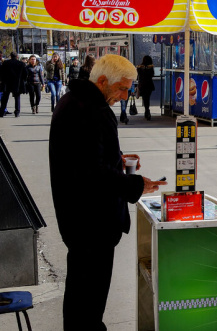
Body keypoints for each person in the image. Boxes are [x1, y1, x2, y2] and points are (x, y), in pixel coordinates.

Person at [49, 54, 167, 330]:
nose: (125, 96)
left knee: (80, 297)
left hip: (76, 219)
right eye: (123, 88)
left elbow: (85, 158)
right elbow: (95, 173)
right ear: (102, 81)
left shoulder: (70, 102)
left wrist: (119, 157)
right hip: (93, 224)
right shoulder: (94, 110)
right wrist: (138, 184)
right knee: (89, 302)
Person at [0, 52, 27, 117]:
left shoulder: (6, 63)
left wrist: (2, 80)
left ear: (10, 56)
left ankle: (2, 112)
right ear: (17, 56)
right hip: (17, 83)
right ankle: (17, 112)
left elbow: (1, 72)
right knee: (17, 98)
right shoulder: (21, 64)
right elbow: (25, 74)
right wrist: (22, 80)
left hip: (7, 83)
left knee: (5, 98)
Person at [136, 55, 155, 120]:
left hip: (142, 85)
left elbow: (137, 77)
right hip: (149, 85)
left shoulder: (139, 68)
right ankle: (147, 110)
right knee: (147, 98)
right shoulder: (150, 68)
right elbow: (152, 75)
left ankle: (147, 110)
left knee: (145, 98)